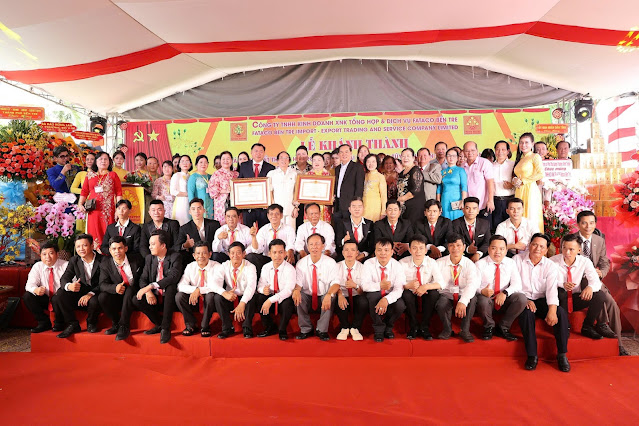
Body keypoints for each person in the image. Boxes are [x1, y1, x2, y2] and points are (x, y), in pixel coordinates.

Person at [572, 211, 627, 355]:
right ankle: (601, 323)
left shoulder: (599, 240)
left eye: (591, 223)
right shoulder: (571, 240)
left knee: (613, 305)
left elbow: (604, 262)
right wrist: (588, 272)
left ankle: (619, 344)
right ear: (578, 224)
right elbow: (568, 262)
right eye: (584, 223)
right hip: (578, 279)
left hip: (595, 278)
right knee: (598, 292)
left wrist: (601, 272)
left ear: (595, 224)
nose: (588, 226)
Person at [515, 233, 570, 372]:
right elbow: (513, 284)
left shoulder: (550, 265)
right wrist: (525, 299)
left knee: (560, 312)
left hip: (541, 299)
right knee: (527, 314)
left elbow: (552, 289)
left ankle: (562, 354)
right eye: (534, 244)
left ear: (546, 250)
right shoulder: (517, 260)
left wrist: (552, 310)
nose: (537, 249)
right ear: (529, 245)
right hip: (522, 298)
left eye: (541, 246)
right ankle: (532, 355)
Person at [124, 230, 182, 344]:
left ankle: (165, 328)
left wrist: (151, 286)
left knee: (171, 287)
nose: (150, 247)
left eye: (153, 244)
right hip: (154, 297)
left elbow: (173, 277)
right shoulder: (149, 258)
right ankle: (159, 323)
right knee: (136, 298)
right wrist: (148, 291)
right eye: (149, 244)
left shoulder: (175, 256)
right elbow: (143, 279)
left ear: (163, 245)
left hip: (169, 298)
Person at [551, 233, 607, 339]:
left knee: (600, 295)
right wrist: (562, 284)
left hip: (576, 298)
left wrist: (590, 287)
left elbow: (596, 281)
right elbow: (545, 282)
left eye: (571, 249)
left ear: (579, 250)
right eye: (564, 248)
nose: (567, 252)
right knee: (561, 291)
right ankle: (563, 326)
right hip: (558, 300)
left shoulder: (585, 261)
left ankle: (587, 327)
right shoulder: (552, 261)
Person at [475, 235, 527, 340]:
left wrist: (505, 293)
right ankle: (489, 327)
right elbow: (473, 285)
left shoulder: (511, 263)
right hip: (487, 300)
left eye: (502, 249)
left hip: (503, 300)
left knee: (521, 298)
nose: (498, 252)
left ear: (506, 250)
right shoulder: (480, 264)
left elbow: (517, 284)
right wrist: (482, 291)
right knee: (482, 300)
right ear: (488, 249)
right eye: (494, 248)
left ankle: (504, 327)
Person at [292, 234, 340, 341]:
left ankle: (322, 330)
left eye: (317, 244)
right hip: (308, 296)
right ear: (307, 247)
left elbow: (336, 283)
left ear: (323, 246)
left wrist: (329, 294)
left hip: (324, 295)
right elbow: (298, 284)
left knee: (331, 296)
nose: (314, 247)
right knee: (298, 296)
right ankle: (306, 329)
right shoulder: (301, 263)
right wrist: (296, 291)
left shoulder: (331, 263)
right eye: (311, 244)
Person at [56, 234, 103, 338]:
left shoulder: (103, 260)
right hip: (81, 291)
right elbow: (64, 278)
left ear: (92, 246)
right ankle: (73, 324)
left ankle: (91, 322)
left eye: (84, 245)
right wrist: (69, 286)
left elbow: (104, 282)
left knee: (95, 300)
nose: (81, 249)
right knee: (60, 293)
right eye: (78, 246)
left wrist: (90, 294)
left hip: (98, 292)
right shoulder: (74, 260)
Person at [435, 233, 480, 342]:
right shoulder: (439, 263)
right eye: (451, 245)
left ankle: (465, 330)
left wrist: (463, 301)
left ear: (464, 247)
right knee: (441, 303)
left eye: (458, 245)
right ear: (448, 247)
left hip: (463, 294)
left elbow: (472, 284)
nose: (455, 248)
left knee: (473, 299)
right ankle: (447, 329)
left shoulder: (470, 265)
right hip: (446, 294)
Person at [361, 238, 407, 342]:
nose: (383, 253)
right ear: (375, 251)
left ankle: (388, 326)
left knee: (400, 306)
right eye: (379, 250)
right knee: (373, 296)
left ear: (392, 252)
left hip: (390, 294)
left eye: (386, 250)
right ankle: (378, 330)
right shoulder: (368, 263)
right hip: (374, 293)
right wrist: (380, 285)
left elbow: (399, 289)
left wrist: (386, 299)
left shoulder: (397, 265)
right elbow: (364, 286)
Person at [400, 235, 444, 340]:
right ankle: (414, 326)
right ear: (410, 250)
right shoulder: (402, 263)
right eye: (414, 248)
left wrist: (426, 286)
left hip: (426, 293)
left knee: (434, 293)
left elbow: (441, 283)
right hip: (411, 293)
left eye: (421, 248)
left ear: (425, 250)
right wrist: (408, 285)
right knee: (406, 294)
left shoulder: (432, 262)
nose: (418, 251)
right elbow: (397, 284)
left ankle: (425, 326)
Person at [97, 236, 143, 336]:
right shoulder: (105, 264)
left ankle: (124, 326)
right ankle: (116, 323)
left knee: (130, 289)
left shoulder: (137, 259)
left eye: (120, 248)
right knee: (102, 297)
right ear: (110, 250)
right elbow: (102, 285)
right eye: (114, 249)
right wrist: (115, 288)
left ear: (126, 248)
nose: (117, 251)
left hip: (134, 295)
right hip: (117, 296)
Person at [211, 242, 257, 338]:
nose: (235, 255)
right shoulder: (224, 265)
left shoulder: (250, 267)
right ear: (228, 254)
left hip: (244, 296)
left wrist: (242, 303)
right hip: (230, 296)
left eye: (238, 253)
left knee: (252, 297)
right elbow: (213, 283)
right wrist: (224, 293)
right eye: (232, 253)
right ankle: (227, 328)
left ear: (244, 254)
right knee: (218, 297)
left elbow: (251, 287)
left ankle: (247, 328)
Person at [78, 152, 122, 251]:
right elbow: (84, 191)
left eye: (106, 159)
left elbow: (119, 193)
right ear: (96, 162)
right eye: (100, 159)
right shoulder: (90, 175)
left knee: (108, 232)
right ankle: (95, 253)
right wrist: (80, 204)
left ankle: (108, 253)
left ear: (109, 162)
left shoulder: (113, 175)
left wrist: (118, 210)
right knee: (94, 232)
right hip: (94, 210)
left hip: (109, 211)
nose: (103, 161)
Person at [175, 241, 220, 337]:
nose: (201, 256)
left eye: (204, 253)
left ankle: (205, 326)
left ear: (210, 254)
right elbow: (180, 286)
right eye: (198, 253)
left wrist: (199, 290)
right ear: (194, 256)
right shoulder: (190, 266)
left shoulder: (217, 266)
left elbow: (216, 287)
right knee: (179, 296)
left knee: (211, 295)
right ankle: (191, 324)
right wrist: (195, 290)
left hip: (210, 301)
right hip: (194, 300)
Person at [22, 241, 68, 333]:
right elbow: (29, 285)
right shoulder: (37, 266)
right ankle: (43, 322)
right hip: (46, 297)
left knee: (60, 296)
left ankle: (60, 322)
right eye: (44, 254)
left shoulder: (66, 265)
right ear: (40, 255)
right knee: (27, 296)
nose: (47, 257)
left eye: (51, 253)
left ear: (57, 254)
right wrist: (36, 289)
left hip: (61, 299)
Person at [255, 239, 296, 340]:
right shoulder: (265, 267)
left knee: (288, 303)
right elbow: (260, 286)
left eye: (280, 252)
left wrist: (270, 300)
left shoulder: (290, 269)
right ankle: (269, 327)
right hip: (270, 296)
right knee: (260, 298)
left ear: (285, 253)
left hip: (283, 298)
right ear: (269, 254)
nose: (277, 255)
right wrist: (263, 290)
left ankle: (282, 330)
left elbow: (288, 290)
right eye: (274, 252)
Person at [245, 204, 296, 274]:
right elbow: (257, 250)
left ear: (281, 215)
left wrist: (290, 251)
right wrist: (254, 237)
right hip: (267, 259)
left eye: (277, 214)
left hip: (281, 258)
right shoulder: (263, 230)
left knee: (291, 256)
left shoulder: (289, 229)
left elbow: (291, 245)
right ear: (268, 216)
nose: (274, 216)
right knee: (251, 257)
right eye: (271, 214)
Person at [334, 241, 368, 341]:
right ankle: (344, 327)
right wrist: (340, 295)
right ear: (342, 252)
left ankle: (355, 328)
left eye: (352, 250)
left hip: (356, 295)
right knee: (336, 298)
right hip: (342, 294)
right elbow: (333, 284)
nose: (349, 253)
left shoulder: (363, 268)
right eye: (346, 250)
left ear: (357, 253)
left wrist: (355, 286)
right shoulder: (336, 266)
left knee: (363, 301)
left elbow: (364, 291)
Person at [512, 133, 545, 232]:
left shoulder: (535, 156)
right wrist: (515, 180)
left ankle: (534, 238)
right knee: (520, 215)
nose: (523, 145)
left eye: (526, 142)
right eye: (521, 143)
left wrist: (523, 181)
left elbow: (540, 174)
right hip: (519, 190)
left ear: (532, 144)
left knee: (531, 216)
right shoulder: (520, 159)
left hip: (530, 190)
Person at [238, 143, 276, 228]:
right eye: (256, 151)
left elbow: (272, 187)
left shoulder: (270, 168)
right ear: (251, 152)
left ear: (264, 153)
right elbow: (240, 183)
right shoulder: (244, 166)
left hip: (264, 207)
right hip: (248, 206)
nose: (258, 153)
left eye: (261, 151)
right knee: (248, 230)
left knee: (264, 230)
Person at [175, 198, 221, 265]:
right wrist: (185, 245)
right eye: (193, 209)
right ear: (190, 212)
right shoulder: (184, 228)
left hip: (212, 257)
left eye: (199, 208)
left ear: (204, 210)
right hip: (194, 260)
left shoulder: (214, 225)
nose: (196, 211)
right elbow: (176, 247)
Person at [462, 141, 495, 222]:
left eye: (472, 150)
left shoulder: (484, 163)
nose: (470, 153)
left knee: (484, 227)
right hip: (468, 207)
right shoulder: (462, 166)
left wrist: (490, 200)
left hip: (482, 205)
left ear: (477, 151)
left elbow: (490, 182)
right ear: (463, 152)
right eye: (467, 151)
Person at [452, 197, 491, 262]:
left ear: (478, 210)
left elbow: (487, 242)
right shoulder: (455, 224)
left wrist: (478, 253)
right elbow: (454, 242)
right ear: (463, 209)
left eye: (474, 208)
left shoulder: (485, 223)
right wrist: (467, 249)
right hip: (461, 256)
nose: (471, 211)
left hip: (480, 257)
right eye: (468, 208)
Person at [333, 144, 365, 223]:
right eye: (341, 152)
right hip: (337, 205)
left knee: (349, 228)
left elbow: (359, 188)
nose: (344, 154)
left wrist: (356, 206)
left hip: (350, 206)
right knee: (338, 228)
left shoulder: (357, 167)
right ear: (339, 154)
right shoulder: (337, 169)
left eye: (346, 152)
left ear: (351, 153)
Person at [267, 151, 298, 228]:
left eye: (286, 158)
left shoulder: (294, 174)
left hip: (290, 209)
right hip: (276, 211)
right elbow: (269, 191)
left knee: (290, 231)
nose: (284, 160)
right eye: (281, 158)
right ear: (277, 161)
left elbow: (296, 191)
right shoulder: (272, 174)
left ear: (289, 161)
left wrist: (296, 208)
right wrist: (271, 207)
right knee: (277, 231)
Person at [208, 151, 239, 225]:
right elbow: (212, 190)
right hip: (221, 205)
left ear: (232, 160)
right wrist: (225, 191)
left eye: (228, 159)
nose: (226, 161)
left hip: (235, 204)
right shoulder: (216, 174)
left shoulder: (236, 174)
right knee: (222, 225)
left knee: (236, 224)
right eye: (223, 159)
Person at [397, 148, 426, 225]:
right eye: (403, 156)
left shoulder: (415, 170)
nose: (405, 158)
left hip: (414, 207)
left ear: (413, 158)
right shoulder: (402, 172)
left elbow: (416, 190)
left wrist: (401, 199)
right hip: (404, 207)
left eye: (408, 156)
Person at [437, 148, 467, 220]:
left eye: (453, 156)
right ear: (446, 157)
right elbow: (439, 189)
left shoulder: (461, 170)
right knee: (445, 220)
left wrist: (463, 200)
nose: (451, 158)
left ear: (457, 158)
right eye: (449, 155)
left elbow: (464, 186)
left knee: (457, 221)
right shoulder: (442, 172)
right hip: (445, 199)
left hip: (457, 199)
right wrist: (438, 203)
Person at [492, 141, 515, 231]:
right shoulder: (490, 166)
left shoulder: (513, 165)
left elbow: (520, 182)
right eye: (497, 149)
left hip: (510, 200)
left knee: (510, 227)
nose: (500, 152)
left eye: (503, 149)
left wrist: (512, 186)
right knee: (496, 227)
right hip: (495, 201)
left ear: (508, 151)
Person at [304, 153, 333, 223]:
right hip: (310, 205)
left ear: (323, 163)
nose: (316, 162)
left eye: (319, 160)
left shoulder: (329, 175)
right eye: (314, 160)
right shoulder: (306, 175)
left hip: (324, 206)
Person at [362, 153, 387, 222]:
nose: (371, 164)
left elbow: (383, 195)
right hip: (364, 206)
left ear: (377, 163)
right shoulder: (364, 176)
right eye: (368, 161)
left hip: (375, 207)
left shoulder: (380, 176)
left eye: (373, 161)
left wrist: (383, 211)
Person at [188, 155, 213, 219]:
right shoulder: (193, 177)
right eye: (201, 162)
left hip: (211, 205)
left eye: (205, 162)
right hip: (199, 206)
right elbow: (190, 193)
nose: (203, 164)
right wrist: (193, 208)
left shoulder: (211, 177)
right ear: (196, 165)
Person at [170, 154, 192, 225]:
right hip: (181, 202)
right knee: (181, 222)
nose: (185, 163)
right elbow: (173, 191)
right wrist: (187, 194)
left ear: (190, 164)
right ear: (179, 164)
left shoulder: (191, 176)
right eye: (182, 161)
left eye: (187, 161)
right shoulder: (177, 175)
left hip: (190, 201)